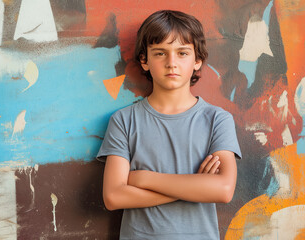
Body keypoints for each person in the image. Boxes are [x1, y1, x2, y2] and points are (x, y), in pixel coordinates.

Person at [97, 10, 241, 240]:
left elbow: (223, 190)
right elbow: (114, 197)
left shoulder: (218, 119)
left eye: (182, 53)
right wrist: (196, 186)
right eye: (160, 53)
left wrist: (144, 179)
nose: (171, 63)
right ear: (144, 61)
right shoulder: (124, 120)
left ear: (197, 60)